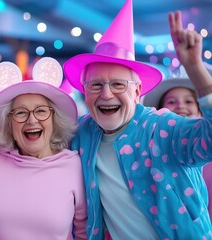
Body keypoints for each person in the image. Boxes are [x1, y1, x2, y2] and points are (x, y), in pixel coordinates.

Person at [63, 0, 212, 239]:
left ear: (137, 91)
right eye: (96, 85)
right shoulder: (81, 133)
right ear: (85, 91)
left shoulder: (162, 128)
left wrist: (195, 69)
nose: (106, 94)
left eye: (118, 84)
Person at [0, 57, 87, 239]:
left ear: (54, 119)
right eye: (21, 113)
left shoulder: (74, 166)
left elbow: (84, 232)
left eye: (41, 111)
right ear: (9, 123)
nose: (32, 120)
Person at [143, 74, 212, 221]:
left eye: (188, 101)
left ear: (201, 111)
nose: (180, 105)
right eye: (171, 102)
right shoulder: (151, 152)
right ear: (160, 112)